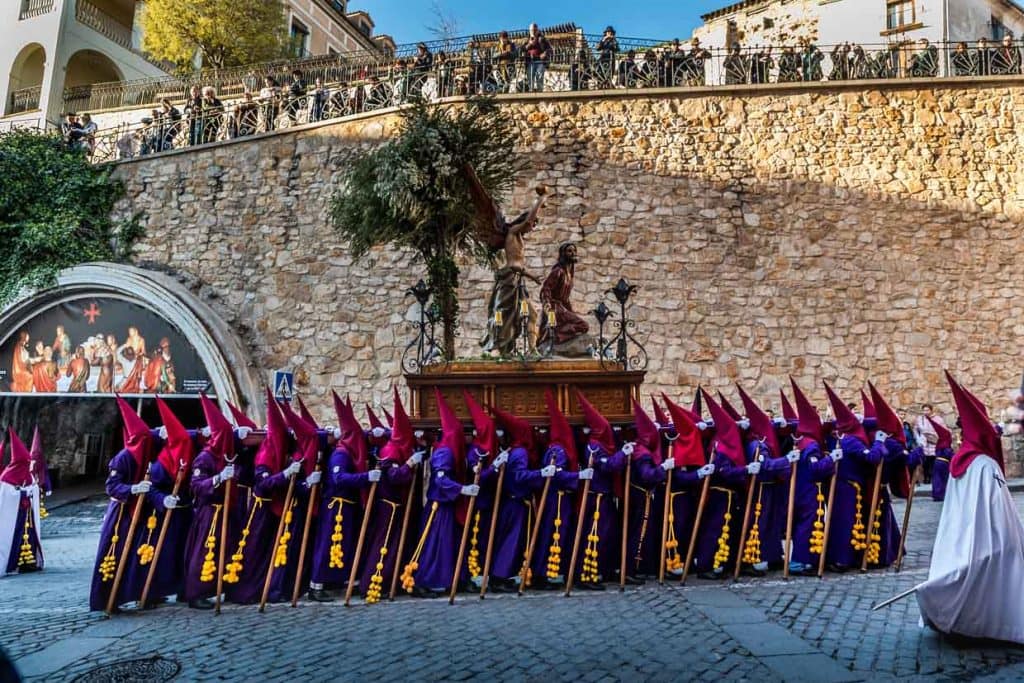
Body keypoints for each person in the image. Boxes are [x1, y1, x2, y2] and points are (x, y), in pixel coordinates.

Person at [916, 373, 1024, 644]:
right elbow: (1001, 513)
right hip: (989, 537)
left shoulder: (961, 461)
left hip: (961, 538)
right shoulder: (985, 465)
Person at [89, 398, 165, 610]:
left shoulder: (148, 457)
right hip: (121, 512)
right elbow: (112, 487)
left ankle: (136, 593)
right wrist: (133, 488)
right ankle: (107, 599)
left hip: (139, 511)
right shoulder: (122, 458)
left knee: (135, 553)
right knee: (115, 552)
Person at [400, 390, 477, 597]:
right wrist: (462, 489)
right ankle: (423, 581)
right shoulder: (444, 452)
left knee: (448, 545)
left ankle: (454, 579)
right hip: (439, 507)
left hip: (447, 506)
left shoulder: (449, 450)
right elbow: (441, 480)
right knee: (434, 546)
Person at [357, 389, 423, 603]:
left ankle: (389, 582)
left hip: (395, 506)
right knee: (383, 546)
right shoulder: (391, 450)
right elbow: (394, 476)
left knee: (393, 547)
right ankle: (373, 584)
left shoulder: (395, 448)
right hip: (388, 506)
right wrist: (410, 463)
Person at [307, 394, 374, 602]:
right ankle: (316, 585)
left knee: (345, 545)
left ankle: (339, 580)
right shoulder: (341, 455)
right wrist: (366, 477)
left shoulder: (349, 454)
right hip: (336, 507)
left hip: (347, 507)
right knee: (328, 544)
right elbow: (338, 478)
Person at [181, 395, 244, 609]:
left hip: (227, 509)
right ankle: (196, 593)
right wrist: (218, 479)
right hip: (210, 512)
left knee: (225, 550)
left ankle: (221, 586)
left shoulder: (227, 457)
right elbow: (196, 485)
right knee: (204, 552)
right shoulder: (205, 458)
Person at [821, 383, 888, 572]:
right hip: (846, 488)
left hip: (846, 486)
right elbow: (872, 458)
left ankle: (845, 558)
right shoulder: (851, 441)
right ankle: (841, 560)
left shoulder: (842, 438)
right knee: (845, 523)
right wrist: (879, 442)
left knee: (846, 522)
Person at [692, 391, 757, 579]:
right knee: (714, 531)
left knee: (728, 531)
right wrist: (746, 470)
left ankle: (725, 563)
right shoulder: (720, 445)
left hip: (730, 496)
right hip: (720, 495)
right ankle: (706, 566)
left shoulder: (726, 442)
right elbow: (724, 471)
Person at [485, 406, 550, 592]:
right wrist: (541, 473)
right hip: (516, 504)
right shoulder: (520, 453)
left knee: (511, 540)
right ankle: (499, 577)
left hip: (514, 502)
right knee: (510, 542)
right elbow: (519, 475)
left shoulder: (516, 451)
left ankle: (502, 576)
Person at [527, 391, 583, 590]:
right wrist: (578, 476)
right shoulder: (557, 450)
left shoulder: (556, 448)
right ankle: (542, 574)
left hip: (560, 499)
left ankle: (550, 572)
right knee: (552, 534)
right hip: (557, 500)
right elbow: (556, 475)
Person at [572, 392, 627, 589]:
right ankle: (586, 575)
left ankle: (605, 569)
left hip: (605, 498)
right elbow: (607, 466)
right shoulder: (593, 447)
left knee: (608, 536)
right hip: (596, 499)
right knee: (594, 536)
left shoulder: (601, 445)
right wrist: (622, 454)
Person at [786, 379, 838, 575]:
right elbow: (815, 469)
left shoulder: (800, 442)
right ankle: (801, 561)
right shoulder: (811, 445)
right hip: (809, 492)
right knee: (808, 526)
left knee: (804, 525)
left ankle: (805, 559)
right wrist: (831, 458)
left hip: (800, 489)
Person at [660, 396, 714, 577]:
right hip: (676, 495)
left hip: (688, 495)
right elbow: (678, 475)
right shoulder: (673, 444)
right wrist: (697, 475)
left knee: (688, 530)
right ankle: (672, 564)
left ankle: (686, 561)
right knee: (676, 532)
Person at [459, 391, 504, 589]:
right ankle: (470, 576)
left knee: (487, 541)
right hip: (477, 503)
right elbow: (479, 478)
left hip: (488, 502)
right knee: (475, 541)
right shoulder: (475, 452)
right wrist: (494, 467)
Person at [624, 400, 671, 582]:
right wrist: (663, 469)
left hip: (641, 494)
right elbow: (647, 475)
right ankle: (631, 569)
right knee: (640, 532)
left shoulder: (640, 449)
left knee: (646, 532)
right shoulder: (642, 452)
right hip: (641, 495)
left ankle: (645, 566)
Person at [0, 430, 43, 576]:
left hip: (27, 516)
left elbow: (34, 488)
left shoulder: (28, 474)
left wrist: (32, 490)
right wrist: (22, 493)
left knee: (29, 537)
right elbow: (7, 495)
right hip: (14, 517)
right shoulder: (7, 476)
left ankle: (27, 562)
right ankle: (12, 563)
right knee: (15, 538)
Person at [539, 242, 589, 348]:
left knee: (583, 326)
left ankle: (555, 333)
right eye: (569, 251)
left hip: (562, 309)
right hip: (555, 309)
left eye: (574, 251)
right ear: (563, 254)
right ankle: (555, 335)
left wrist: (570, 312)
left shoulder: (569, 274)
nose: (573, 253)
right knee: (583, 325)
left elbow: (565, 299)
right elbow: (546, 288)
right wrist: (547, 303)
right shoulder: (558, 271)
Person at [915, 404, 941, 484]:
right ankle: (926, 477)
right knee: (925, 461)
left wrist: (935, 437)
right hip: (924, 443)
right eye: (924, 410)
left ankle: (932, 477)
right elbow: (916, 430)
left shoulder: (938, 419)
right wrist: (918, 439)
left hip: (934, 442)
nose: (926, 412)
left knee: (933, 461)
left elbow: (941, 430)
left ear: (931, 410)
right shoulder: (920, 419)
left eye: (927, 410)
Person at [522, 23, 552, 93]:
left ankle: (540, 92)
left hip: (540, 61)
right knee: (530, 77)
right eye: (532, 30)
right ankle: (531, 92)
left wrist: (545, 53)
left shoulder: (542, 38)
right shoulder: (527, 39)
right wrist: (530, 44)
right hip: (530, 61)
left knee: (540, 77)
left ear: (537, 30)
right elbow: (522, 49)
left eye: (535, 30)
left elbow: (550, 49)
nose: (533, 31)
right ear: (529, 30)